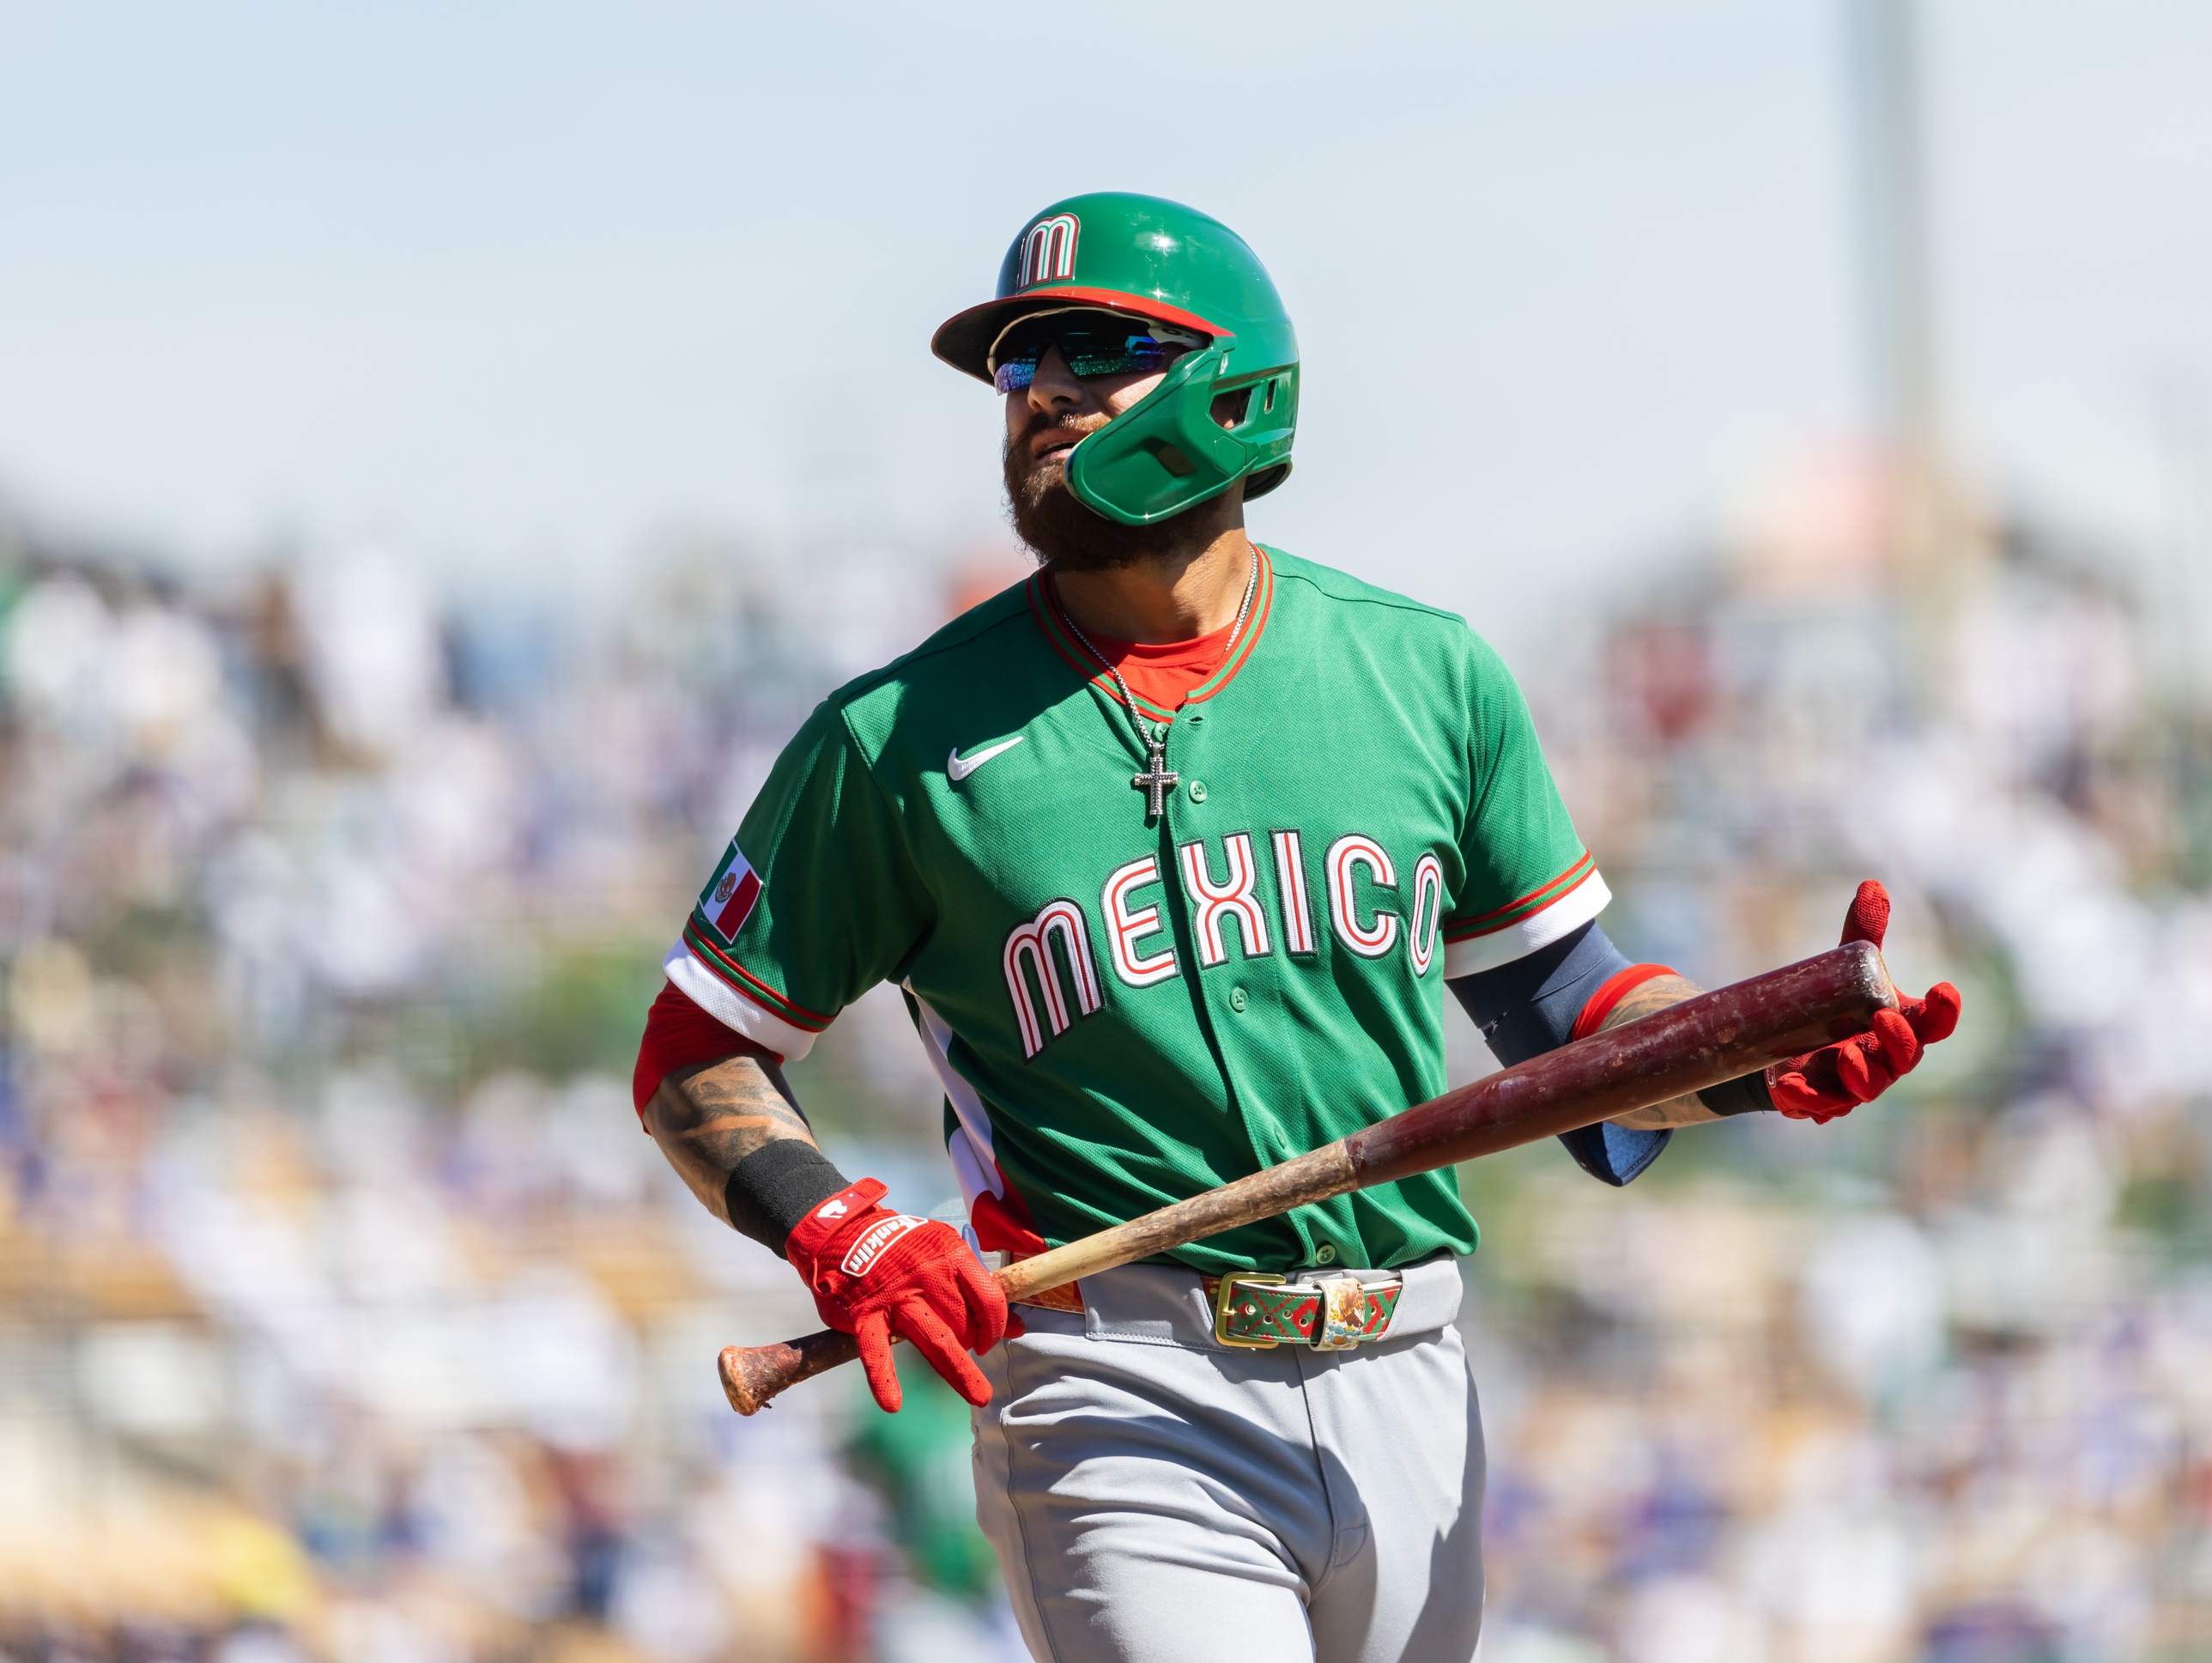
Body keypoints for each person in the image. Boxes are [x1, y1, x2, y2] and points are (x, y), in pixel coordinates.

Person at [629, 192, 1961, 1662]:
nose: (1045, 390)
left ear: (1236, 385)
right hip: (1121, 1376)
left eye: (1099, 346)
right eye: (1018, 365)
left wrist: (1750, 1059)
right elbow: (697, 1052)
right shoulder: (893, 739)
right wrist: (841, 1226)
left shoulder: (1425, 675)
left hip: (1411, 1365)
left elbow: (1573, 1016)